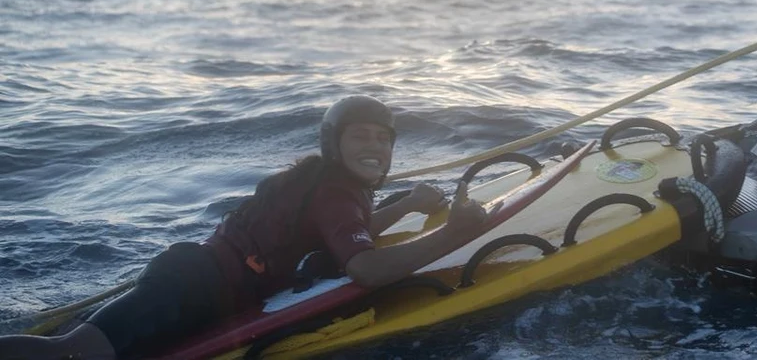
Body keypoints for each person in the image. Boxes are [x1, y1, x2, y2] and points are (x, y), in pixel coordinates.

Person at [0, 95, 488, 359]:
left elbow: (338, 236)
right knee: (72, 354)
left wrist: (406, 205)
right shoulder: (336, 190)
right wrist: (454, 234)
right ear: (331, 143)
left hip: (194, 275)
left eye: (384, 139)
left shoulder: (326, 183)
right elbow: (366, 269)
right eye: (361, 135)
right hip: (188, 289)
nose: (376, 147)